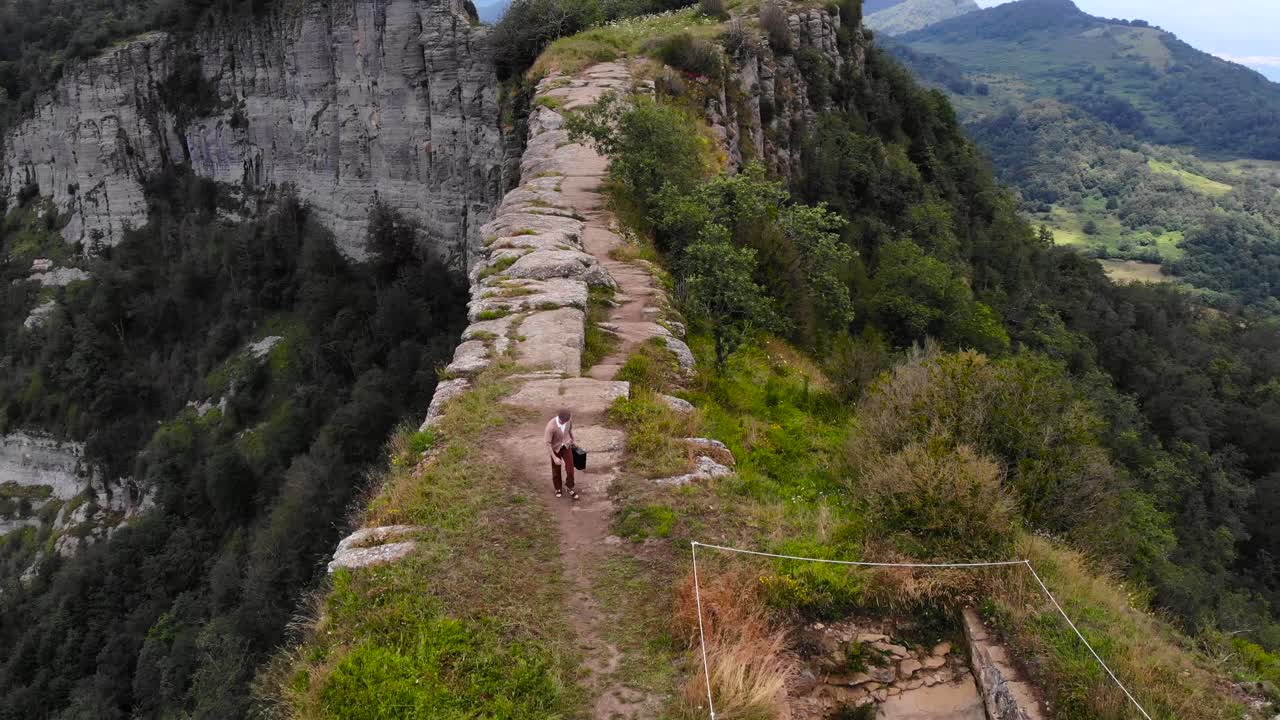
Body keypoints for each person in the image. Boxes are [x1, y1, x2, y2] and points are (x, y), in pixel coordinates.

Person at [544, 408, 578, 500]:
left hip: (566, 446)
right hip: (555, 449)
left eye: (566, 421)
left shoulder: (568, 420)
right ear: (559, 418)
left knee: (570, 469)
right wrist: (554, 458)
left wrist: (573, 440)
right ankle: (558, 488)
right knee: (556, 470)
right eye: (563, 421)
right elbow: (547, 443)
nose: (565, 423)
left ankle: (569, 486)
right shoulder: (551, 427)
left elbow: (570, 431)